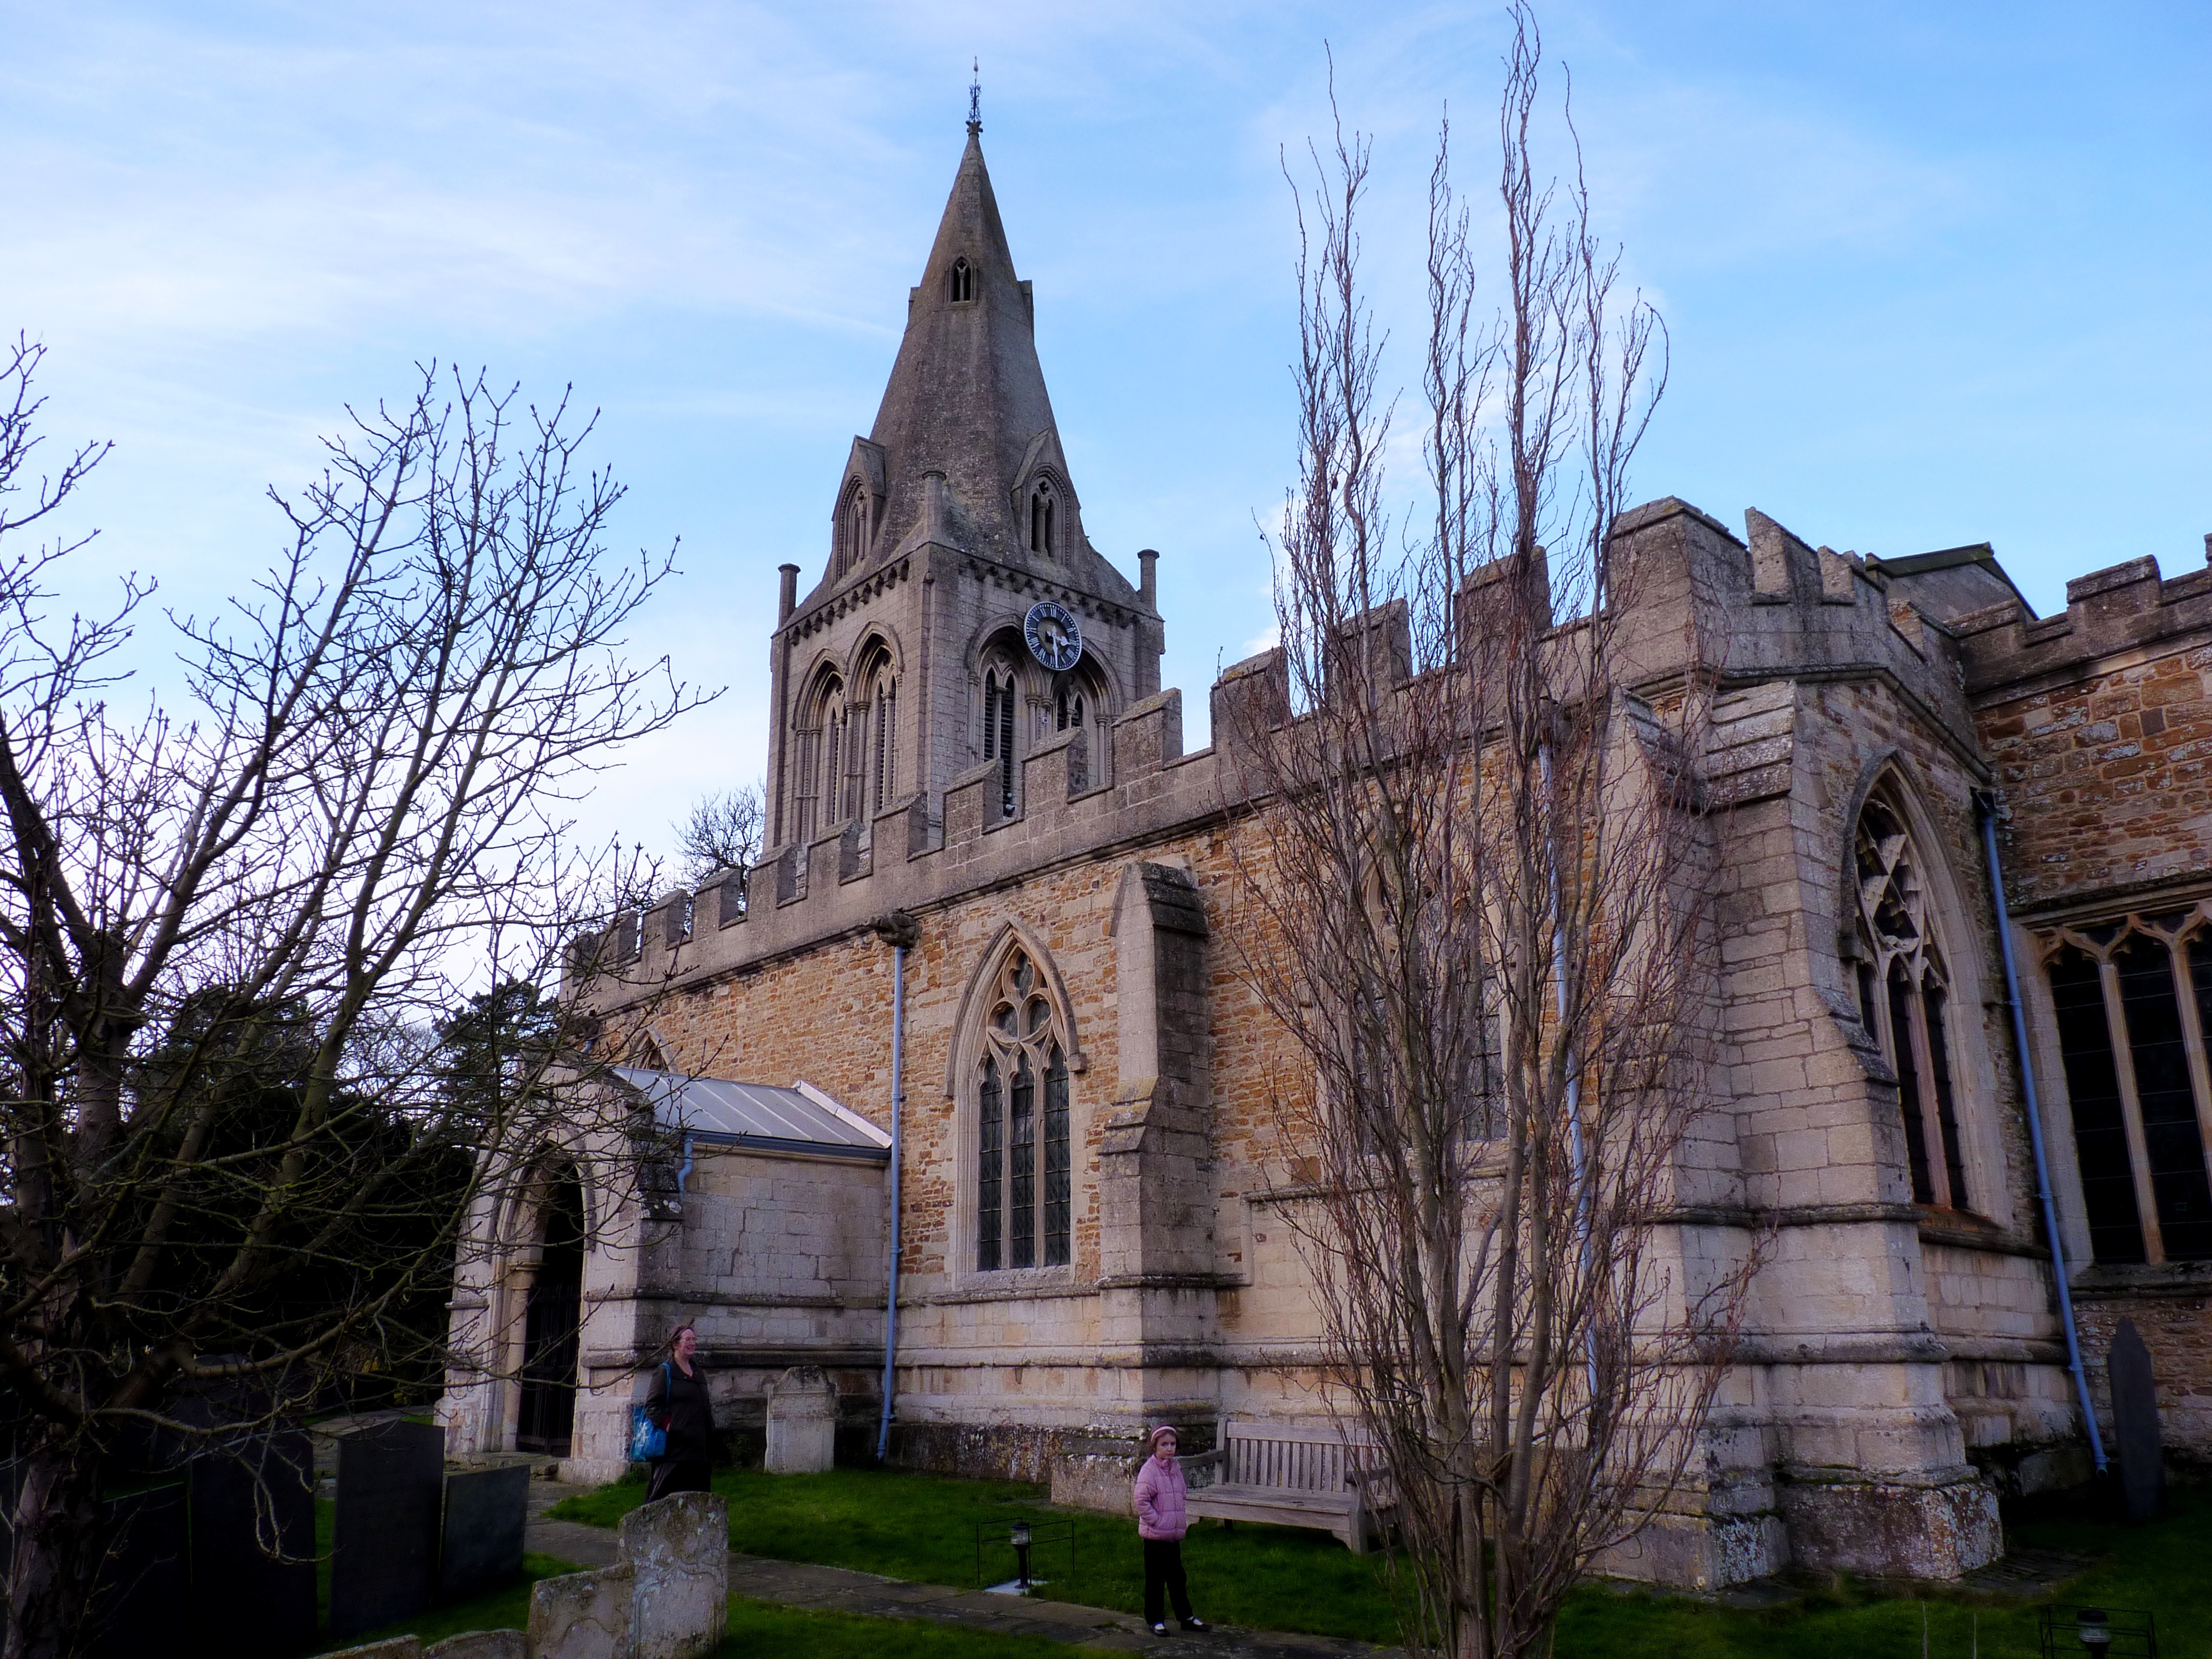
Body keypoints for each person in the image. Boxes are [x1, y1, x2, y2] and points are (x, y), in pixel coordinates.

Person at [1133, 1424, 1209, 1636]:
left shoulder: (1175, 1469)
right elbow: (1141, 1501)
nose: (1169, 1448)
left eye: (1173, 1444)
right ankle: (1155, 1620)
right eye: (1164, 1444)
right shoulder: (1149, 1471)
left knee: (1178, 1578)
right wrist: (1157, 1521)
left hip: (1173, 1536)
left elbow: (1180, 1494)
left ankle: (1186, 1617)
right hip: (1155, 1537)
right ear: (1155, 1447)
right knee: (1155, 1580)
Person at [642, 1323, 713, 1501]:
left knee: (698, 1501)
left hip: (699, 1452)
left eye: (694, 1340)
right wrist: (671, 1427)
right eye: (687, 1340)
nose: (692, 1343)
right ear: (675, 1344)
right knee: (663, 1499)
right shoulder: (665, 1372)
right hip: (675, 1452)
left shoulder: (698, 1372)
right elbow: (652, 1406)